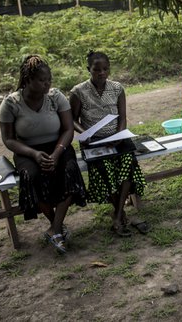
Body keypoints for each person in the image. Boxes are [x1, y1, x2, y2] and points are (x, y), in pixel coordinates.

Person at [0, 55, 86, 254]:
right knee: (30, 177)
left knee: (70, 170)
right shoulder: (11, 104)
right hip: (27, 151)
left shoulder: (56, 97)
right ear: (28, 80)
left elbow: (67, 129)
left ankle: (55, 229)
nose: (47, 83)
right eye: (42, 80)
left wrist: (56, 153)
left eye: (49, 79)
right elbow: (9, 140)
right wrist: (34, 154)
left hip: (58, 147)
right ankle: (55, 225)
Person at [70, 51, 148, 237]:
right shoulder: (78, 92)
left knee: (128, 165)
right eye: (97, 70)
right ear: (89, 69)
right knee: (105, 169)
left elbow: (122, 116)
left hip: (117, 137)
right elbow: (72, 120)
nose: (102, 73)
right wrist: (84, 134)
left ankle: (118, 214)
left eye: (105, 69)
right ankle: (121, 216)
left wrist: (120, 133)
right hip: (93, 140)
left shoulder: (117, 88)